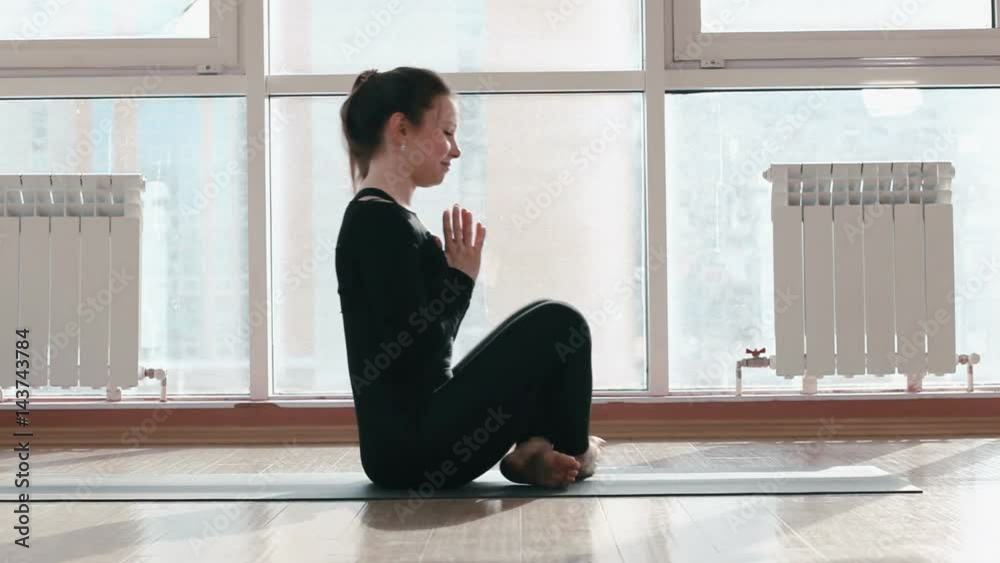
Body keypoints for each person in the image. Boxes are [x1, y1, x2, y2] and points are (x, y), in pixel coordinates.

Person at [335, 66, 605, 490]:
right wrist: (460, 279)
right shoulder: (378, 224)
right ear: (400, 129)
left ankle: (534, 449)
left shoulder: (389, 219)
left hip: (416, 440)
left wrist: (454, 278)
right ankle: (576, 452)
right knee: (562, 323)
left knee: (542, 316)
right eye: (446, 132)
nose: (455, 150)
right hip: (412, 451)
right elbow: (418, 352)